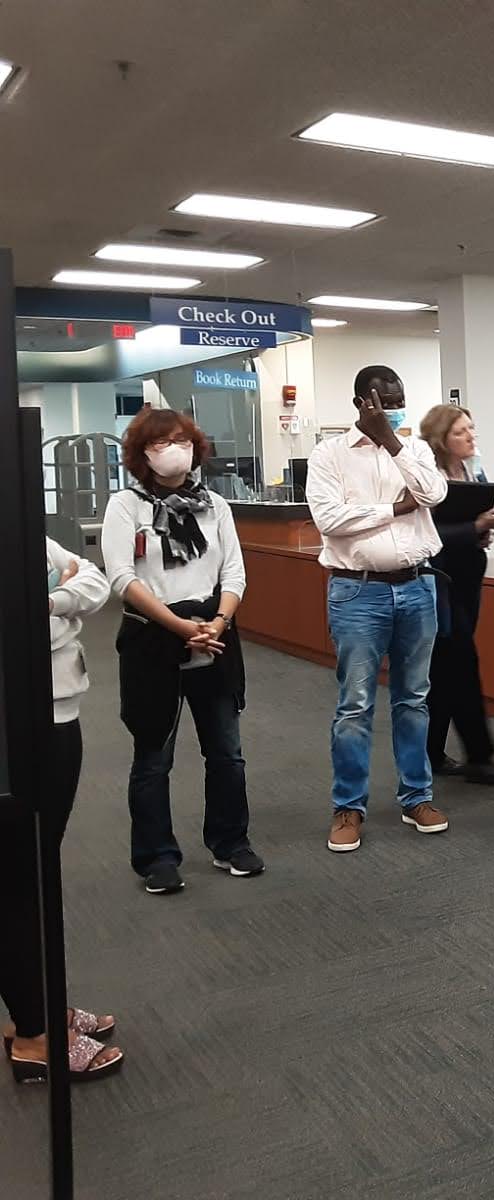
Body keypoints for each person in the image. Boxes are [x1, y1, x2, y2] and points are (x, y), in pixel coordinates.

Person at [103, 407, 262, 894]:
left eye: (183, 439)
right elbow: (122, 578)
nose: (176, 449)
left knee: (226, 750)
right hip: (154, 635)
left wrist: (216, 621)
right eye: (163, 441)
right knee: (154, 753)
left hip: (214, 632)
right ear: (143, 453)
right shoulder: (125, 506)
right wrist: (178, 626)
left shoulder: (214, 504)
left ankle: (230, 842)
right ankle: (156, 857)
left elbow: (234, 572)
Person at [306, 366, 450, 853]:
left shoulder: (415, 449)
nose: (392, 405)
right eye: (383, 399)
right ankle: (348, 807)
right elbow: (330, 520)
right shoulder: (328, 455)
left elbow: (434, 494)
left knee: (414, 699)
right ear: (359, 402)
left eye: (399, 397)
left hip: (417, 587)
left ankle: (417, 797)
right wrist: (393, 509)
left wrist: (392, 441)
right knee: (355, 705)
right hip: (357, 593)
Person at [2, 540, 122, 1081]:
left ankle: (41, 1002)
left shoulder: (13, 515)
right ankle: (33, 1032)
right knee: (16, 873)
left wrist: (51, 599)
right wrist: (58, 588)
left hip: (56, 708)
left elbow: (93, 581)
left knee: (37, 865)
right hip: (15, 718)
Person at [418, 403, 494, 786]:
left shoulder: (474, 470)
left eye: (472, 429)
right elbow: (424, 537)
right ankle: (480, 754)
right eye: (461, 432)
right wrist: (470, 527)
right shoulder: (427, 477)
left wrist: (484, 529)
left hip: (468, 574)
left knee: (445, 667)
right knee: (461, 660)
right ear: (442, 438)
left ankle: (430, 752)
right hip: (437, 578)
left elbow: (475, 523)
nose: (471, 437)